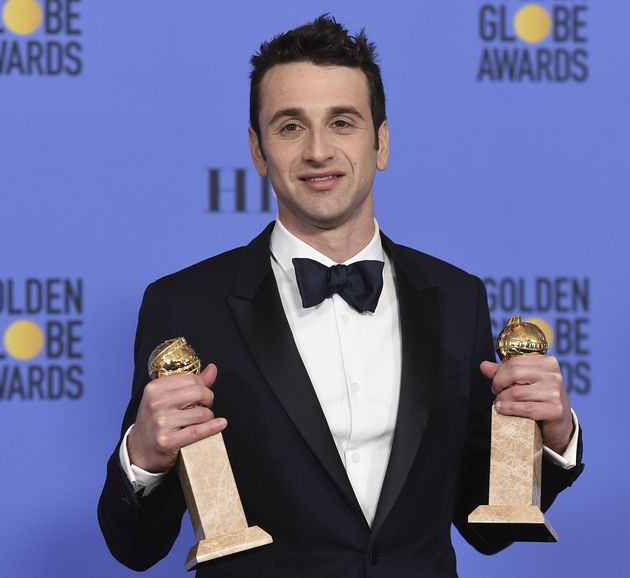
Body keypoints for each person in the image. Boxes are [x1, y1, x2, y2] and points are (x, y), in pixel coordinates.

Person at [98, 15, 583, 578]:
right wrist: (145, 458)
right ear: (258, 151)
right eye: (290, 127)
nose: (318, 150)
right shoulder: (184, 306)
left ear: (381, 142)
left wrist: (553, 438)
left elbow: (489, 527)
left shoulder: (457, 298)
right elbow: (135, 547)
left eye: (342, 122)